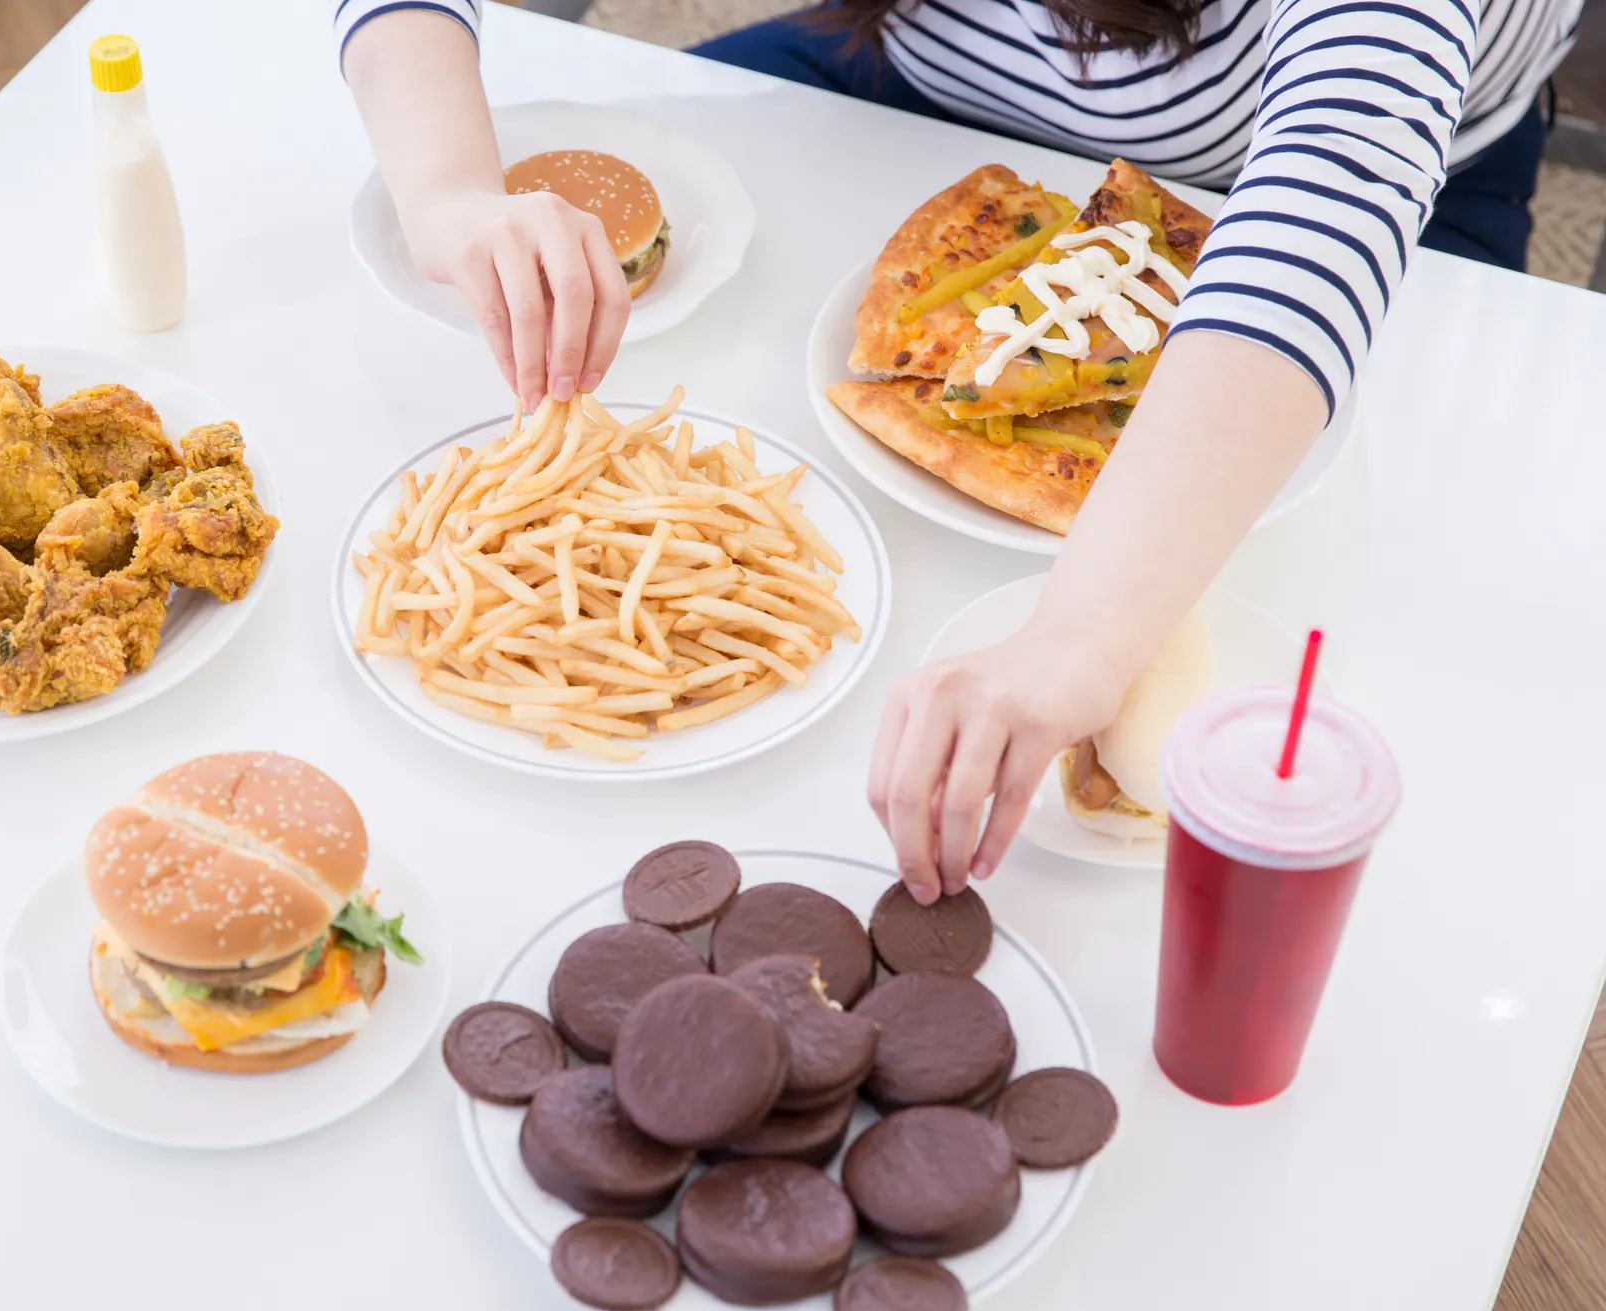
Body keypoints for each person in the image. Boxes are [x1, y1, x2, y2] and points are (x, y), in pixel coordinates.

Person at [335, 0, 1577, 902]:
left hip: (1378, 189)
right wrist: (445, 191)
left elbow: (1328, 201)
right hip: (914, 75)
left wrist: (1079, 638)